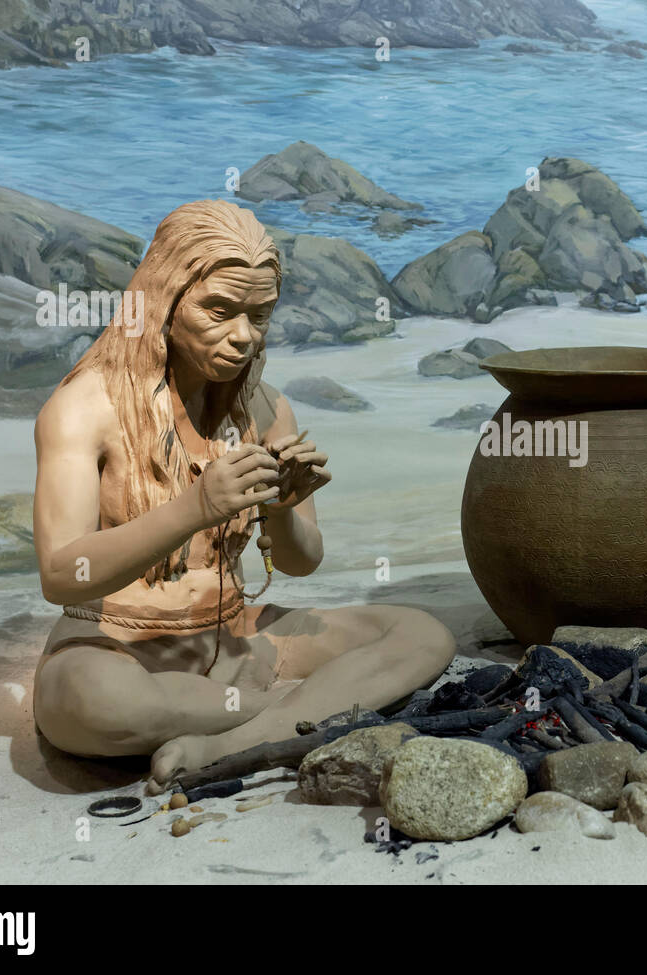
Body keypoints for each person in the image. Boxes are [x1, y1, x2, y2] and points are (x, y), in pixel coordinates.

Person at [31, 200, 455, 792]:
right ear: (163, 298)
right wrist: (195, 509)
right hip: (119, 649)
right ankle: (300, 715)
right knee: (90, 703)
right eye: (219, 310)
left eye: (260, 315)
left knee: (421, 635)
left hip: (235, 639)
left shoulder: (265, 406)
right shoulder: (83, 410)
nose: (242, 336)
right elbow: (59, 575)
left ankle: (236, 737)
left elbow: (303, 562)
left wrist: (282, 506)